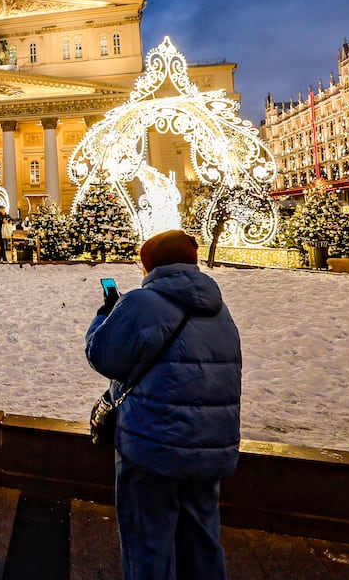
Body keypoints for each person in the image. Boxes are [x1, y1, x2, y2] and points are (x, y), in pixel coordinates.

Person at [85, 230, 242, 580]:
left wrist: (104, 317)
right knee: (202, 542)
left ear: (149, 265)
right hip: (208, 446)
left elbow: (104, 357)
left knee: (148, 545)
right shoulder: (219, 308)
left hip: (152, 446)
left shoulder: (141, 303)